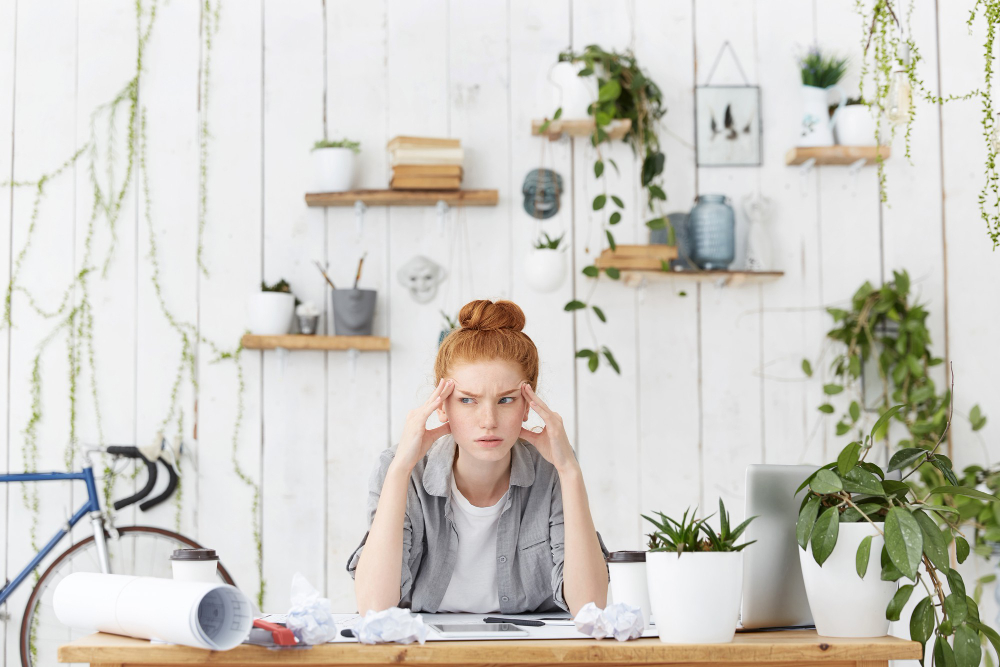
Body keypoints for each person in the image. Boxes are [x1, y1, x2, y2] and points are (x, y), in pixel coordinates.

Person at [348, 299, 609, 616]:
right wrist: (400, 469)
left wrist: (569, 472)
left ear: (528, 405)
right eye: (468, 400)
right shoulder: (403, 469)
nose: (489, 420)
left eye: (506, 399)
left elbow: (590, 608)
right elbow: (375, 607)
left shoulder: (552, 469)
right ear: (442, 404)